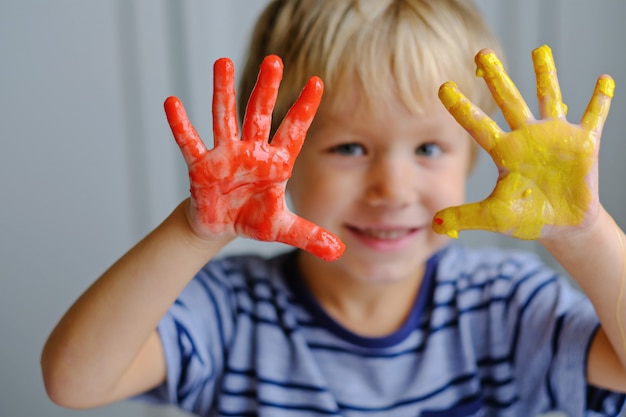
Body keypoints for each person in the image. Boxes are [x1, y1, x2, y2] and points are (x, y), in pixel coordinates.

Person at [40, 0, 626, 415]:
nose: (391, 188)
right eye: (349, 147)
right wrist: (195, 232)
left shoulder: (507, 305)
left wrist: (584, 233)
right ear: (278, 155)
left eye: (427, 147)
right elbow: (75, 382)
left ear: (473, 158)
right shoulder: (229, 312)